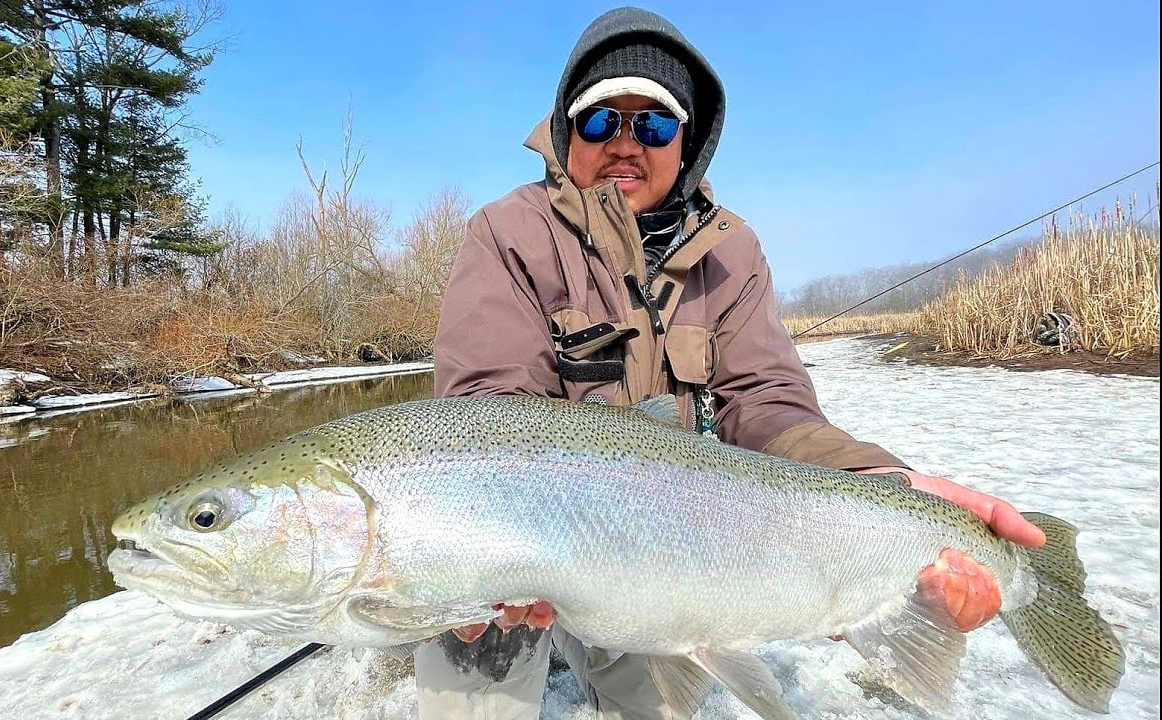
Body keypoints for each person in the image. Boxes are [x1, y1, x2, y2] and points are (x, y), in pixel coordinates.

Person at [422, 7, 1046, 719]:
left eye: (652, 125)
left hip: (662, 557)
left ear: (687, 141)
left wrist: (867, 478)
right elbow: (483, 410)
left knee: (653, 710)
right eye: (602, 122)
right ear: (569, 132)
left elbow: (768, 398)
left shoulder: (733, 250)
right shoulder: (508, 232)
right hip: (517, 536)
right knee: (471, 679)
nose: (626, 144)